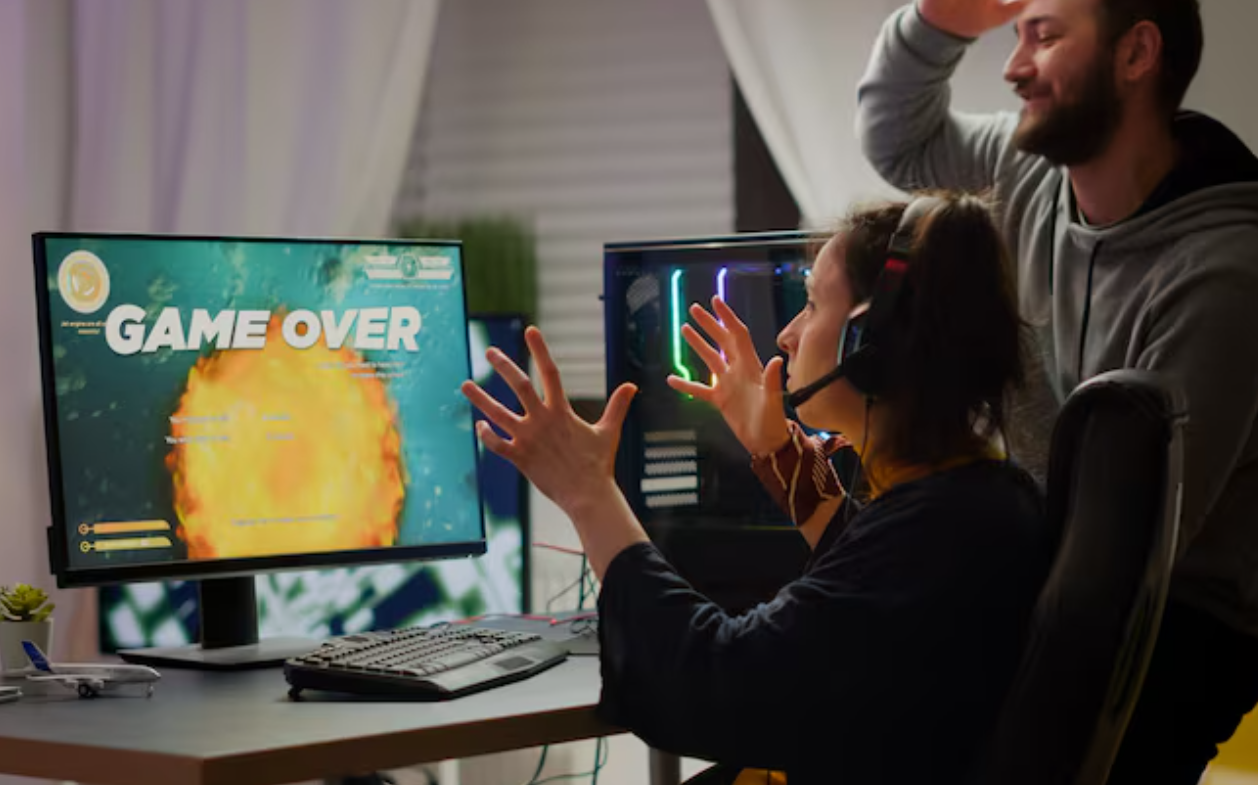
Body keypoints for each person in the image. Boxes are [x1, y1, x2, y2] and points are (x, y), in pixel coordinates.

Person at [461, 192, 1053, 785]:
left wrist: (588, 493)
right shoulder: (977, 497)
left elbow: (714, 680)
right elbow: (864, 583)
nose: (788, 334)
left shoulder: (937, 532)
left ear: (871, 346)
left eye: (812, 305)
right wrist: (775, 448)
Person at [856, 1, 1258, 781]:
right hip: (1054, 563)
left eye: (1043, 37)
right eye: (1016, 38)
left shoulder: (1224, 274)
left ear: (1136, 54)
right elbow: (899, 140)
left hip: (1179, 613)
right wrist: (940, 20)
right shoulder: (1027, 172)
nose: (1013, 68)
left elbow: (1129, 548)